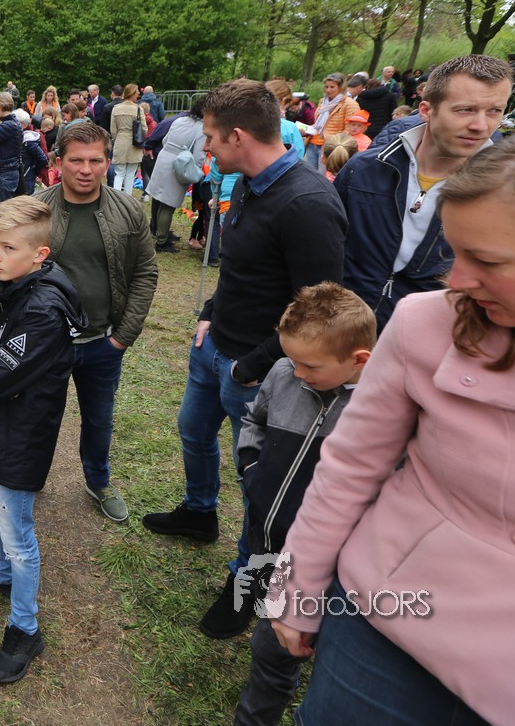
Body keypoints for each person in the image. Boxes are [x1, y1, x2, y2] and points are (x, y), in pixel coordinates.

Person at [266, 133, 515, 726]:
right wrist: (294, 589)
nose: (457, 280)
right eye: (455, 252)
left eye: (488, 261)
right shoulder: (426, 323)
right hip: (390, 617)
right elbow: (348, 465)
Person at [140, 79, 346, 640]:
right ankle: (199, 512)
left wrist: (252, 364)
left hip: (262, 372)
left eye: (209, 137)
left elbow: (320, 308)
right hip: (216, 349)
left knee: (261, 483)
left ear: (237, 136)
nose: (204, 147)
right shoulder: (252, 184)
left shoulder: (306, 203)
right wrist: (210, 312)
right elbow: (243, 269)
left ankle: (247, 582)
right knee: (192, 432)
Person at [231, 283, 376, 726]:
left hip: (323, 568)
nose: (297, 373)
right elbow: (254, 419)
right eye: (291, 360)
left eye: (309, 365)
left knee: (295, 657)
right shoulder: (283, 373)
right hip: (268, 538)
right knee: (270, 642)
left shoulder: (378, 411)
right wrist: (252, 470)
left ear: (359, 360)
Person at [0, 197, 84, 684]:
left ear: (39, 254)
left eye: (8, 248)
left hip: (19, 436)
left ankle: (25, 627)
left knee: (18, 534)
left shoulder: (43, 312)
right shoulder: (9, 286)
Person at [35, 121, 158, 523]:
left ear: (108, 162)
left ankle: (98, 481)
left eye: (95, 160)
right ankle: (29, 477)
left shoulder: (128, 210)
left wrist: (122, 338)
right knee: (39, 415)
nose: (85, 170)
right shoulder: (38, 209)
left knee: (99, 419)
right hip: (48, 345)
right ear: (58, 162)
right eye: (76, 160)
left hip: (103, 342)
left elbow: (145, 272)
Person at [336, 54, 512, 331]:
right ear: (426, 110)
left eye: (494, 111)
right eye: (465, 110)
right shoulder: (364, 171)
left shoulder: (504, 195)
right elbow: (324, 249)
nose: (481, 125)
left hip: (428, 341)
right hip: (342, 332)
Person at [144, 103, 207, 252]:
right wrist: (196, 171)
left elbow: (165, 140)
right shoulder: (201, 128)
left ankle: (160, 234)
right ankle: (162, 241)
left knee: (161, 201)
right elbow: (199, 156)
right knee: (168, 205)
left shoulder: (180, 120)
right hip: (179, 163)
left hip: (164, 157)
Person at [306, 73, 357, 170]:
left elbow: (349, 130)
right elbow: (319, 123)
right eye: (326, 87)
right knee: (309, 174)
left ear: (341, 87)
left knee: (324, 176)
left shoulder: (350, 104)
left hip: (329, 147)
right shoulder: (323, 101)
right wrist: (307, 129)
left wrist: (336, 146)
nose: (328, 90)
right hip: (313, 143)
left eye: (332, 87)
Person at [109, 84, 147, 193]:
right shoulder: (138, 109)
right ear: (133, 94)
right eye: (137, 93)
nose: (138, 95)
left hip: (120, 141)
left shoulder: (116, 108)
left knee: (119, 174)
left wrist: (117, 138)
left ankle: (116, 197)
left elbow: (113, 130)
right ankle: (128, 198)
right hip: (135, 142)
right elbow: (144, 129)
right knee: (130, 175)